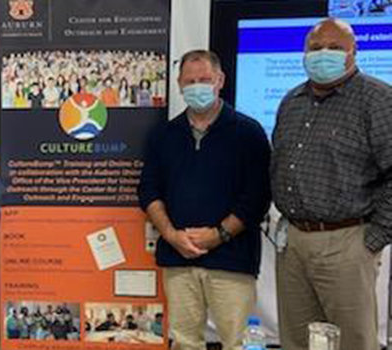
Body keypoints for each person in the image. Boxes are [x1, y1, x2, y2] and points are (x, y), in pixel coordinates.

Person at [271, 18, 392, 350]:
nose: (323, 54)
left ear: (354, 52)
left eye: (335, 48)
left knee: (353, 341)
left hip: (347, 241)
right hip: (293, 242)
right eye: (315, 47)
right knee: (296, 340)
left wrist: (374, 238)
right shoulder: (291, 101)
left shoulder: (378, 100)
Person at [139, 49, 271, 350]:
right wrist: (171, 235)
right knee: (185, 342)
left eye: (204, 79)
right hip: (178, 258)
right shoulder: (164, 135)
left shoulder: (248, 133)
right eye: (190, 81)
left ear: (220, 80)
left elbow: (258, 197)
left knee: (236, 343)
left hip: (232, 259)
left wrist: (218, 235)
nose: (197, 86)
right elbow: (148, 191)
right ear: (179, 84)